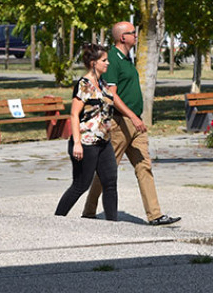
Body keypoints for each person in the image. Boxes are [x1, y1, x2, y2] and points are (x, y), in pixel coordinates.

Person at [82, 22, 180, 226]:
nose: (136, 35)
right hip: (119, 123)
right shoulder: (112, 59)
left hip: (136, 124)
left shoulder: (127, 59)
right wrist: (132, 117)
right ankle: (89, 211)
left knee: (144, 166)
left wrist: (137, 118)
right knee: (107, 170)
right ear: (122, 37)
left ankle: (155, 215)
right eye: (132, 33)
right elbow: (112, 95)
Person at [55, 44, 119, 220]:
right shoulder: (84, 85)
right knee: (81, 184)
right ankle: (56, 219)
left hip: (104, 142)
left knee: (110, 182)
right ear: (93, 63)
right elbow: (74, 114)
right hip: (86, 142)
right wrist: (77, 143)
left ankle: (113, 224)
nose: (107, 63)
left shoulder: (103, 84)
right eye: (104, 60)